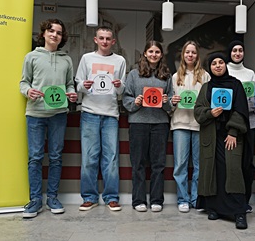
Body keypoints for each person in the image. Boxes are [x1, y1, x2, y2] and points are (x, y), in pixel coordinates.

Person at [19, 18, 77, 218]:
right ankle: (35, 200)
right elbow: (23, 83)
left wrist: (72, 94)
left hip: (58, 114)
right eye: (51, 31)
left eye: (59, 33)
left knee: (55, 157)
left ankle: (52, 197)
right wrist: (29, 92)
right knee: (35, 157)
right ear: (43, 33)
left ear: (62, 38)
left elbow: (70, 84)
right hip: (35, 114)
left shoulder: (67, 59)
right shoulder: (31, 57)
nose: (54, 35)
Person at [194, 53, 250, 229]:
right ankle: (214, 207)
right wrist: (210, 113)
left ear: (225, 65)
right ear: (209, 68)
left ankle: (239, 212)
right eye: (213, 64)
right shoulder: (206, 87)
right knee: (214, 171)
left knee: (233, 170)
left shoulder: (236, 84)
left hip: (230, 136)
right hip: (212, 136)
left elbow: (241, 109)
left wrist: (233, 132)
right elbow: (198, 111)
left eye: (220, 63)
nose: (217, 66)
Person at [75, 26, 126, 212]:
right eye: (101, 38)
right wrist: (84, 85)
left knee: (111, 158)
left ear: (113, 41)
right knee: (89, 157)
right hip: (89, 112)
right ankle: (89, 197)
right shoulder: (86, 59)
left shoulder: (120, 60)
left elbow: (121, 90)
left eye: (108, 39)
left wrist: (120, 85)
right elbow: (78, 83)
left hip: (111, 114)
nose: (105, 41)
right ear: (95, 40)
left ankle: (111, 198)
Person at [122, 40, 173, 213]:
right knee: (138, 163)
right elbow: (126, 98)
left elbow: (171, 103)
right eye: (150, 51)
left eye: (157, 52)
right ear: (145, 53)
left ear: (161, 55)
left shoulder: (167, 75)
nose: (153, 55)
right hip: (138, 123)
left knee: (158, 164)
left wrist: (166, 102)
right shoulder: (134, 74)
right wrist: (135, 102)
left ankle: (157, 199)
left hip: (160, 124)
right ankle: (138, 200)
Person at [170, 41, 211, 213]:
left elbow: (209, 100)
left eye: (193, 52)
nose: (190, 55)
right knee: (180, 164)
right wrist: (173, 102)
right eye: (188, 52)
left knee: (199, 165)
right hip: (180, 123)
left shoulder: (205, 76)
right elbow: (169, 103)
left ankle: (196, 198)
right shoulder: (175, 76)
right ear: (183, 55)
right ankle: (182, 199)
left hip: (199, 125)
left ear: (197, 55)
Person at [226, 40, 255, 212]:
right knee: (231, 164)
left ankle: (245, 201)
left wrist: (242, 107)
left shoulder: (251, 73)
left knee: (247, 163)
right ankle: (229, 200)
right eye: (234, 50)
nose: (237, 53)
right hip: (229, 125)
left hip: (250, 124)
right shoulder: (224, 70)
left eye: (240, 50)